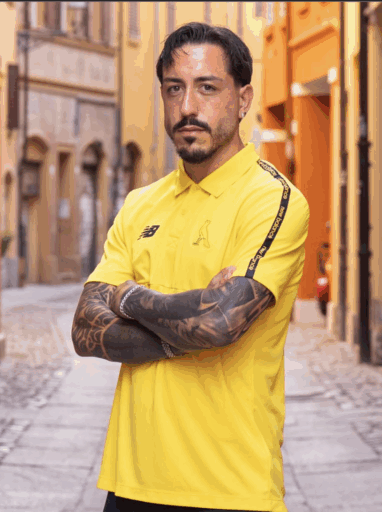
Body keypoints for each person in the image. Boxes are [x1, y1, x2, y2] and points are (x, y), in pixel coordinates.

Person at [71, 21, 310, 512]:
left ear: (242, 100)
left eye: (207, 88)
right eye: (173, 89)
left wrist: (127, 298)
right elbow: (84, 330)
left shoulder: (272, 200)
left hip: (231, 488)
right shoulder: (140, 205)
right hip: (132, 483)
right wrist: (187, 326)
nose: (187, 107)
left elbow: (219, 323)